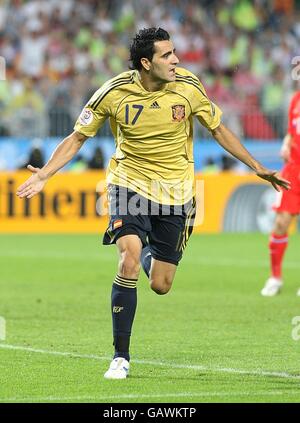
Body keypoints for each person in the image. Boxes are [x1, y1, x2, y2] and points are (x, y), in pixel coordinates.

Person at [17, 28, 290, 379]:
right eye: (166, 55)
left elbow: (219, 129)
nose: (175, 60)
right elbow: (78, 136)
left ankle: (147, 252)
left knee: (161, 283)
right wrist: (46, 174)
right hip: (128, 184)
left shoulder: (189, 87)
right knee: (127, 260)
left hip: (177, 193)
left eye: (174, 53)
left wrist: (256, 167)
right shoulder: (114, 92)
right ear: (146, 63)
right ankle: (120, 356)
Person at [261, 90, 300, 296]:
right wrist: (286, 144)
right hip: (293, 171)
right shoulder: (295, 99)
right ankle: (275, 277)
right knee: (281, 223)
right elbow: (291, 132)